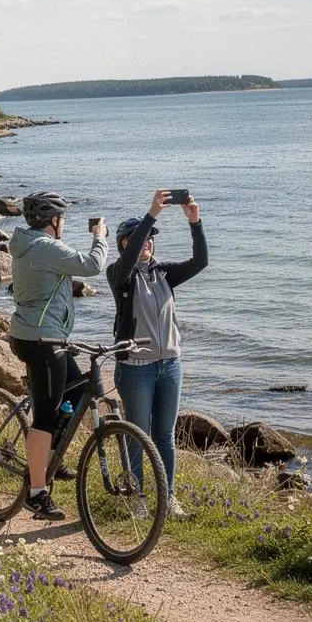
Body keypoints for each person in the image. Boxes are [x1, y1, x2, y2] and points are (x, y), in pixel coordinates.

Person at [108, 190, 208, 520]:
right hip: (135, 368)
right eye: (139, 238)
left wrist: (195, 222)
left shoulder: (163, 272)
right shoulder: (118, 275)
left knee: (164, 436)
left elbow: (200, 261)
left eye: (151, 238)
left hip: (170, 366)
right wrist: (150, 215)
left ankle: (167, 499)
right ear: (125, 242)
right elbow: (127, 262)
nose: (147, 242)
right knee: (138, 435)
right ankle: (136, 500)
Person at [9, 191, 108, 520]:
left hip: (43, 335)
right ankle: (36, 492)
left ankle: (51, 455)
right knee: (46, 417)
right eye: (62, 218)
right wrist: (100, 237)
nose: (63, 223)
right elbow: (92, 265)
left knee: (78, 392)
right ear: (53, 220)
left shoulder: (27, 243)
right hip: (41, 339)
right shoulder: (46, 247)